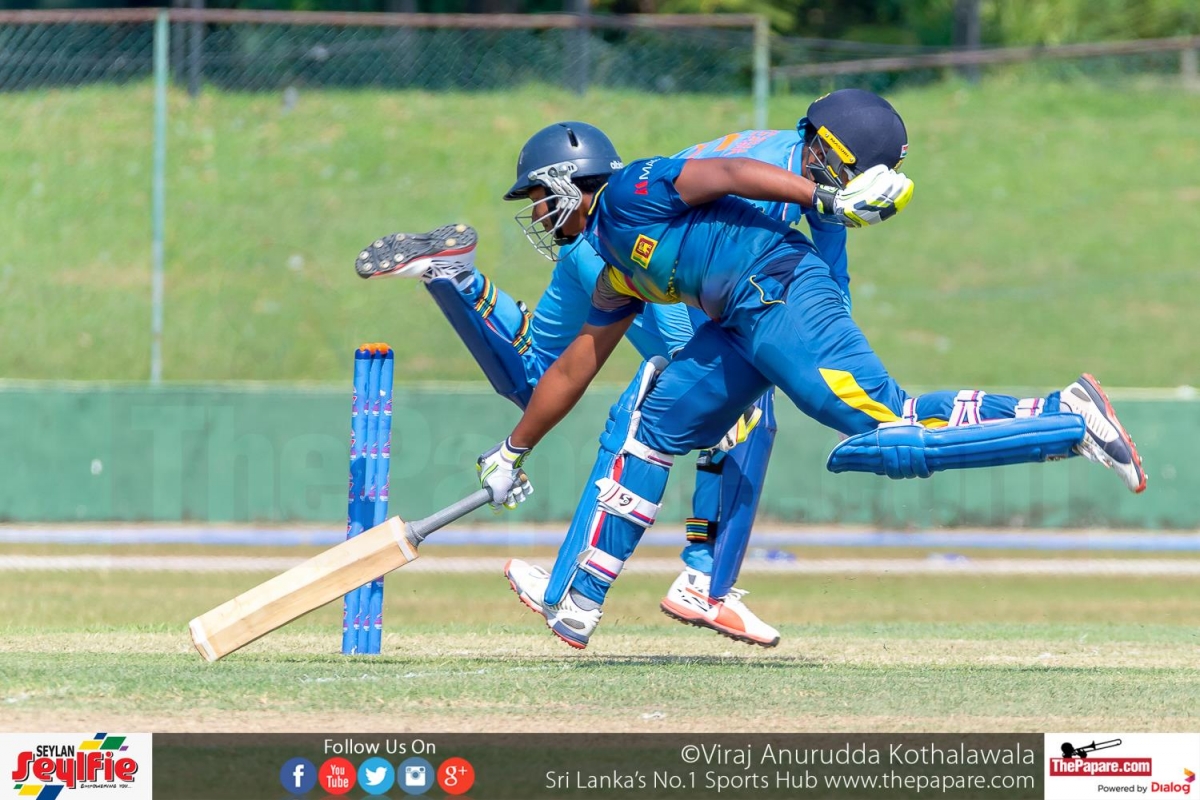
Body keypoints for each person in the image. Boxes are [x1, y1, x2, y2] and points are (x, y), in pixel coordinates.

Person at [475, 102, 1146, 649]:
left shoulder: (629, 189)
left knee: (889, 429)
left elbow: (731, 172)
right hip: (736, 324)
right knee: (652, 428)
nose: (536, 212)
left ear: (570, 181)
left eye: (539, 196)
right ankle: (583, 600)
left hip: (778, 292)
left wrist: (822, 201)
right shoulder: (614, 272)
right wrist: (513, 449)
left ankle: (1066, 419)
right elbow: (573, 368)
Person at [357, 91, 910, 648]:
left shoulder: (804, 158)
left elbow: (832, 277)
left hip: (600, 239)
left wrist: (511, 449)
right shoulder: (790, 173)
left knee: (536, 379)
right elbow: (738, 220)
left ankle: (457, 278)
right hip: (644, 257)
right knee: (721, 407)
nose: (862, 188)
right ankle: (695, 581)